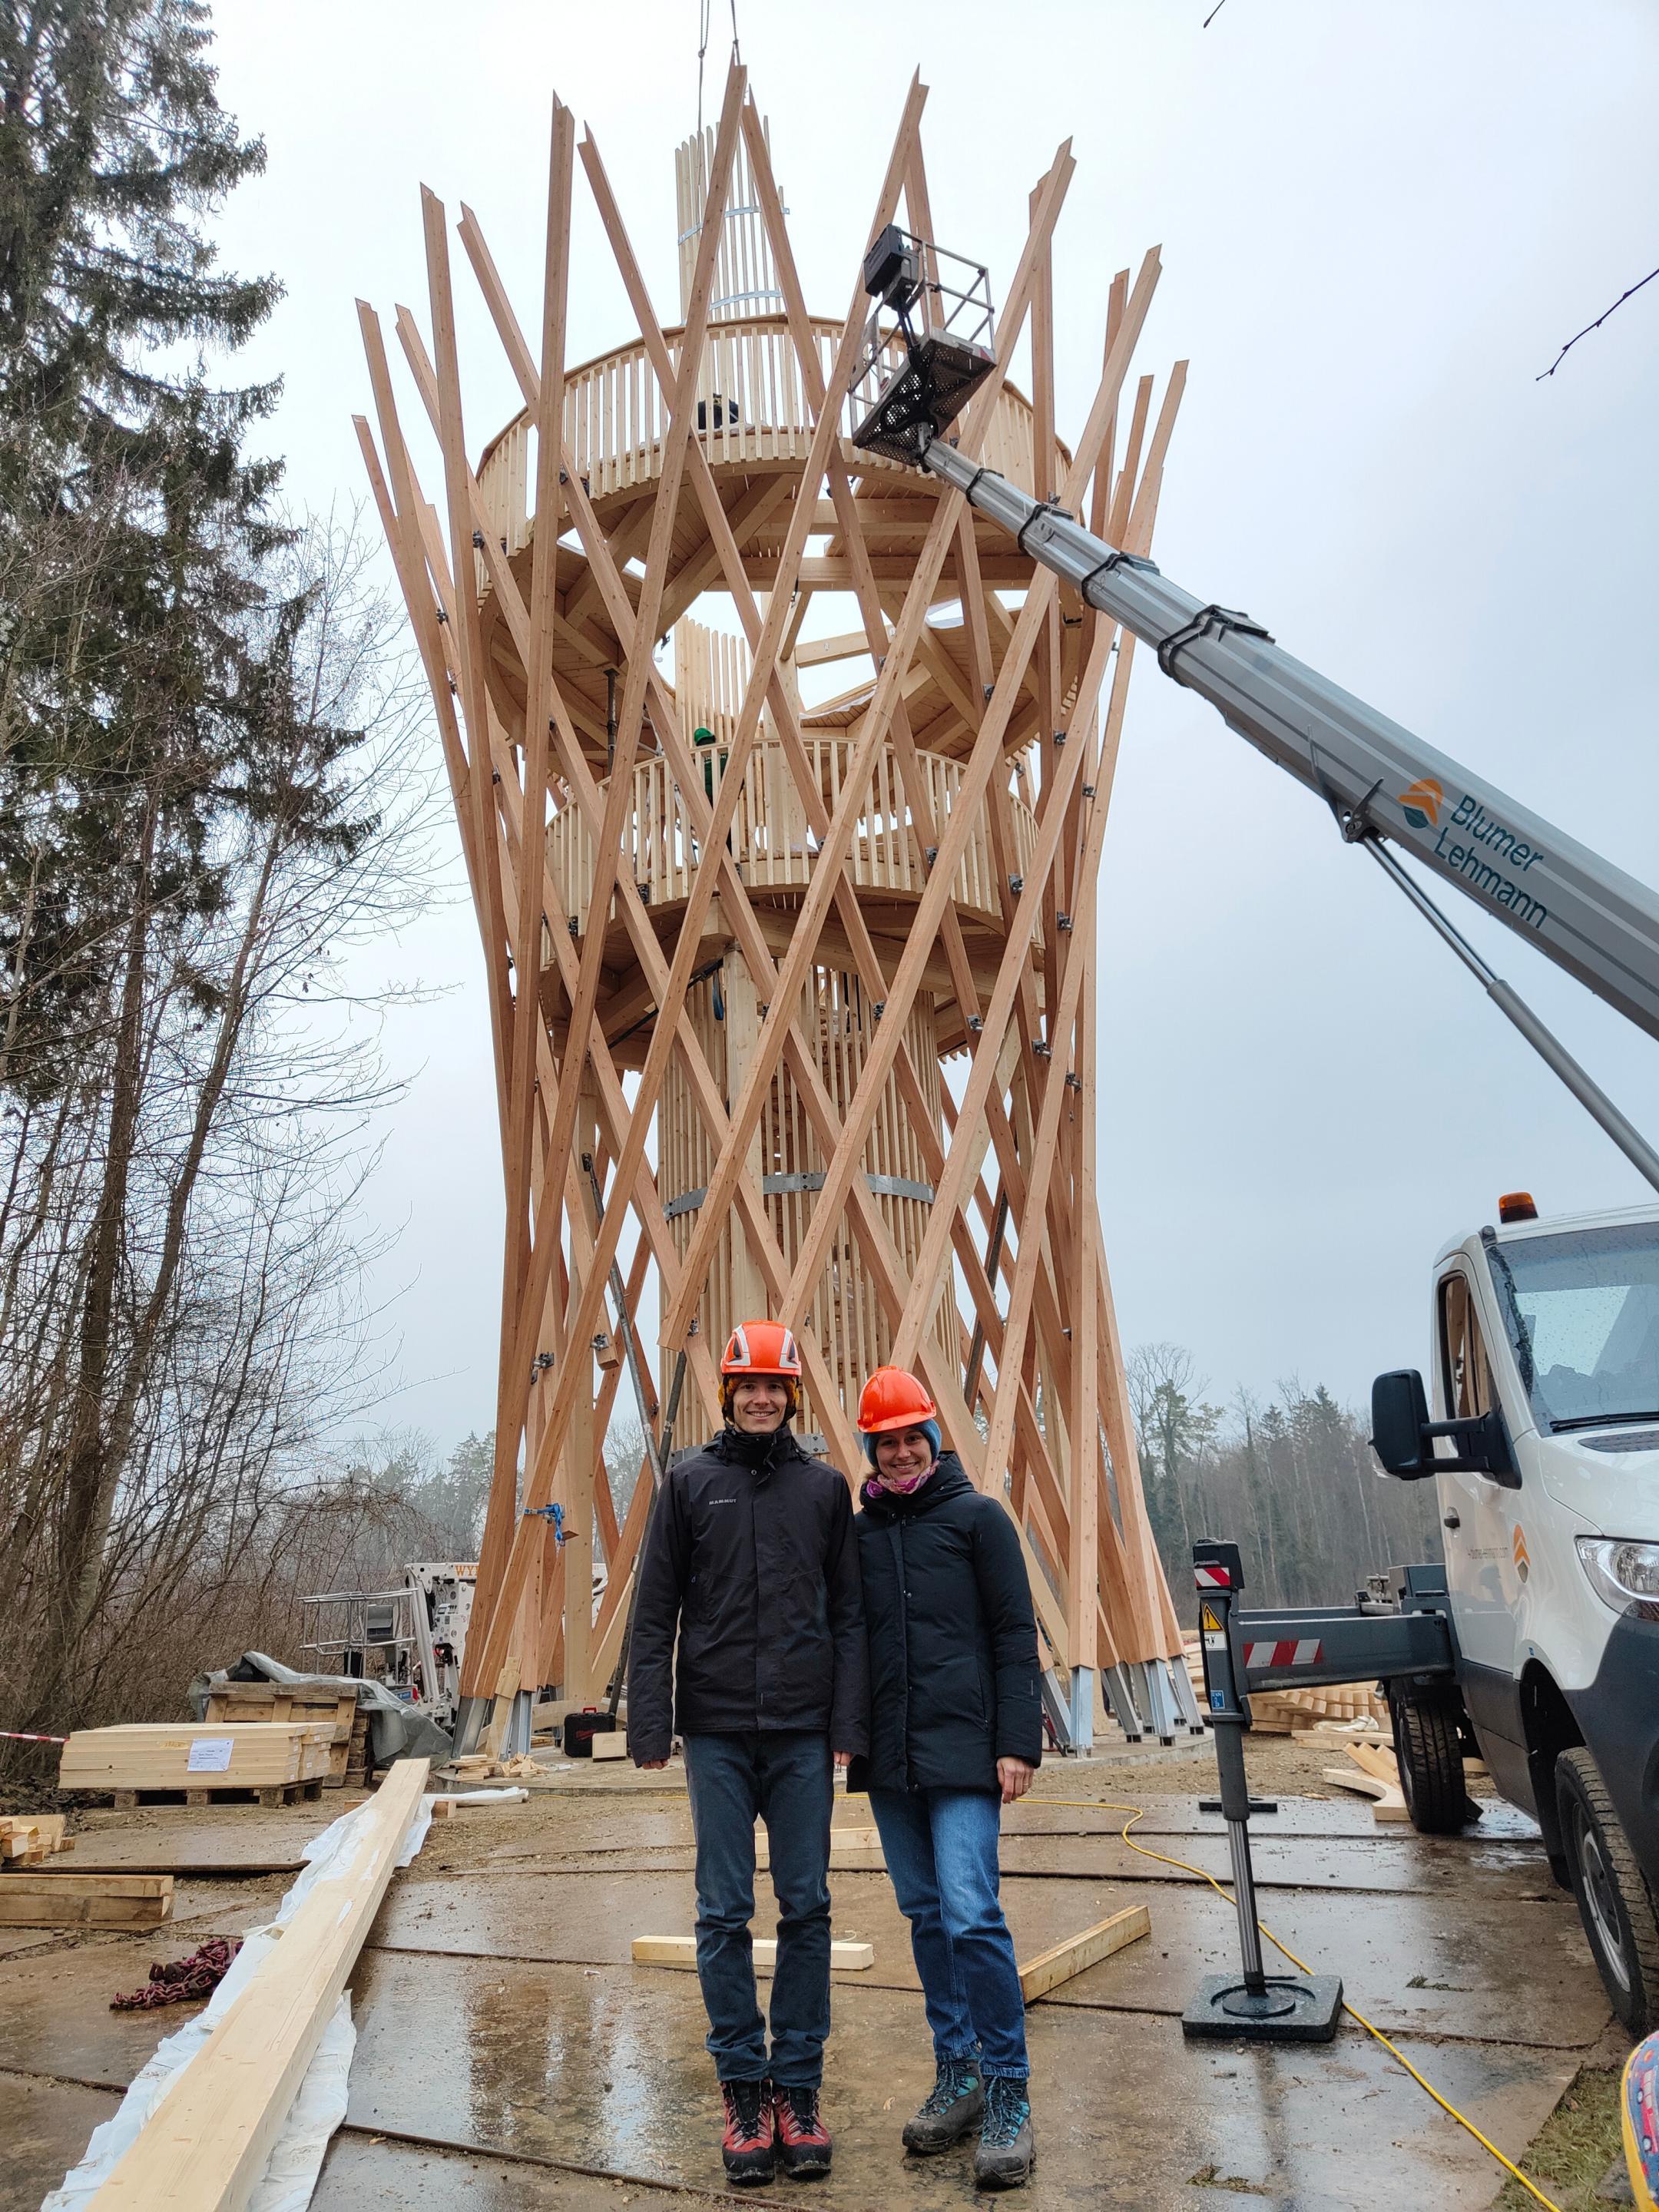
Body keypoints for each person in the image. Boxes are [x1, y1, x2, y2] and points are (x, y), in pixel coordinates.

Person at [628, 1321, 866, 2187]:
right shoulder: (689, 1485)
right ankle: (742, 2093)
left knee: (806, 1907)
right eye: (747, 1384)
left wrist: (848, 1728)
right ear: (725, 1394)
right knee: (723, 1912)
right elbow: (655, 1612)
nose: (761, 1396)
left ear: (792, 1395)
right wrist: (650, 1725)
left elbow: (849, 1617)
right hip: (720, 1732)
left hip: (803, 1734)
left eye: (775, 1384)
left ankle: (798, 2093)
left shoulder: (825, 1490)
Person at [849, 1366, 1042, 2190]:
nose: (897, 1454)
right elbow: (849, 1643)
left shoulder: (977, 1520)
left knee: (971, 1916)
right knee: (925, 1916)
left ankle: (1008, 2094)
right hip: (891, 1761)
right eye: (883, 1442)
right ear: (871, 1447)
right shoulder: (858, 1536)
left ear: (934, 1438)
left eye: (909, 1438)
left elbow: (1013, 1633)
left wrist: (1017, 1743)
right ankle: (956, 2074)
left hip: (965, 1754)